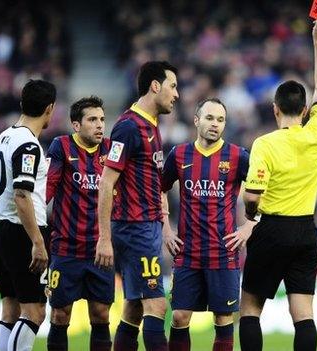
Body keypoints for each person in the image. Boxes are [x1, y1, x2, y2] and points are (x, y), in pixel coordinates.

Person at [234, 18, 317, 351]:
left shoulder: (264, 144)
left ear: (275, 109)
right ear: (305, 110)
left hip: (271, 230)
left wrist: (251, 215)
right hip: (306, 231)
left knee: (249, 310)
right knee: (303, 314)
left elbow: (252, 194)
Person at [96, 61, 179, 351]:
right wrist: (104, 238)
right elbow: (106, 182)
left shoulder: (151, 126)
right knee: (156, 306)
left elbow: (157, 186)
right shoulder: (129, 127)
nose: (176, 94)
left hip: (148, 229)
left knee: (134, 308)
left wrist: (165, 227)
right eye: (172, 86)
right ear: (155, 86)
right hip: (134, 229)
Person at [161, 98, 250, 351]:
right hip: (187, 252)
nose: (215, 124)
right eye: (210, 118)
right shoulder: (179, 154)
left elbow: (262, 191)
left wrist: (249, 226)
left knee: (223, 319)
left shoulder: (238, 156)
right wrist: (166, 230)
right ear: (197, 120)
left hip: (223, 252)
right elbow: (161, 190)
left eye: (221, 120)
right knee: (179, 317)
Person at [0, 79, 56, 351]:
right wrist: (37, 241)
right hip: (22, 234)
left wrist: (6, 208)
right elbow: (22, 195)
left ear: (23, 104)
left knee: (10, 310)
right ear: (50, 109)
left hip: (0, 231)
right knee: (35, 312)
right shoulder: (28, 146)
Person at [45, 96, 113, 351]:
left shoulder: (111, 150)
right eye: (92, 120)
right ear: (76, 125)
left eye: (102, 120)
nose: (99, 125)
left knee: (101, 314)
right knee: (60, 315)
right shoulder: (61, 147)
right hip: (66, 249)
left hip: (100, 250)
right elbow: (47, 189)